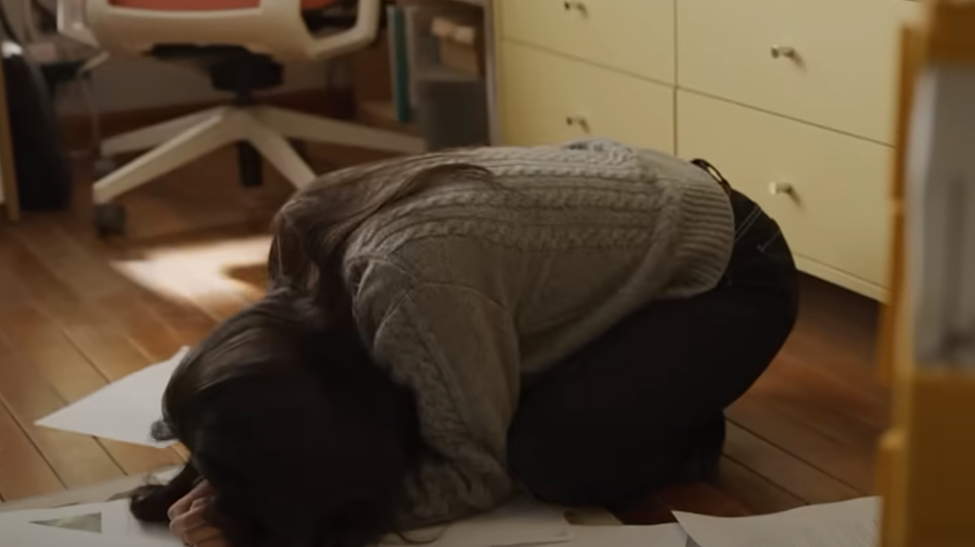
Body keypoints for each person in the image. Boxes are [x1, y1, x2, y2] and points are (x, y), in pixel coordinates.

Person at [129, 139, 799, 547]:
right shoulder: (301, 260)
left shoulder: (413, 288)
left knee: (549, 458)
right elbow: (254, 401)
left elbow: (472, 474)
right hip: (634, 216)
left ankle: (679, 419)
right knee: (469, 400)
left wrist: (272, 528)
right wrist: (223, 482)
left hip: (728, 272)